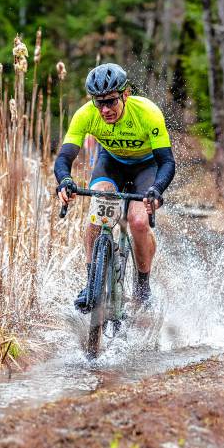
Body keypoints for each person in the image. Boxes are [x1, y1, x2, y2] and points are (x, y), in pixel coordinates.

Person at [54, 63, 175, 311]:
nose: (105, 109)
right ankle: (91, 284)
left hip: (146, 167)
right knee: (99, 213)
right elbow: (64, 157)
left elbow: (167, 162)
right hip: (112, 164)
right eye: (99, 103)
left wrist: (157, 190)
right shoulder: (85, 114)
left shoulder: (147, 113)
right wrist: (65, 181)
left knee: (139, 222)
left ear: (126, 94)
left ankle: (143, 288)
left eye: (111, 101)